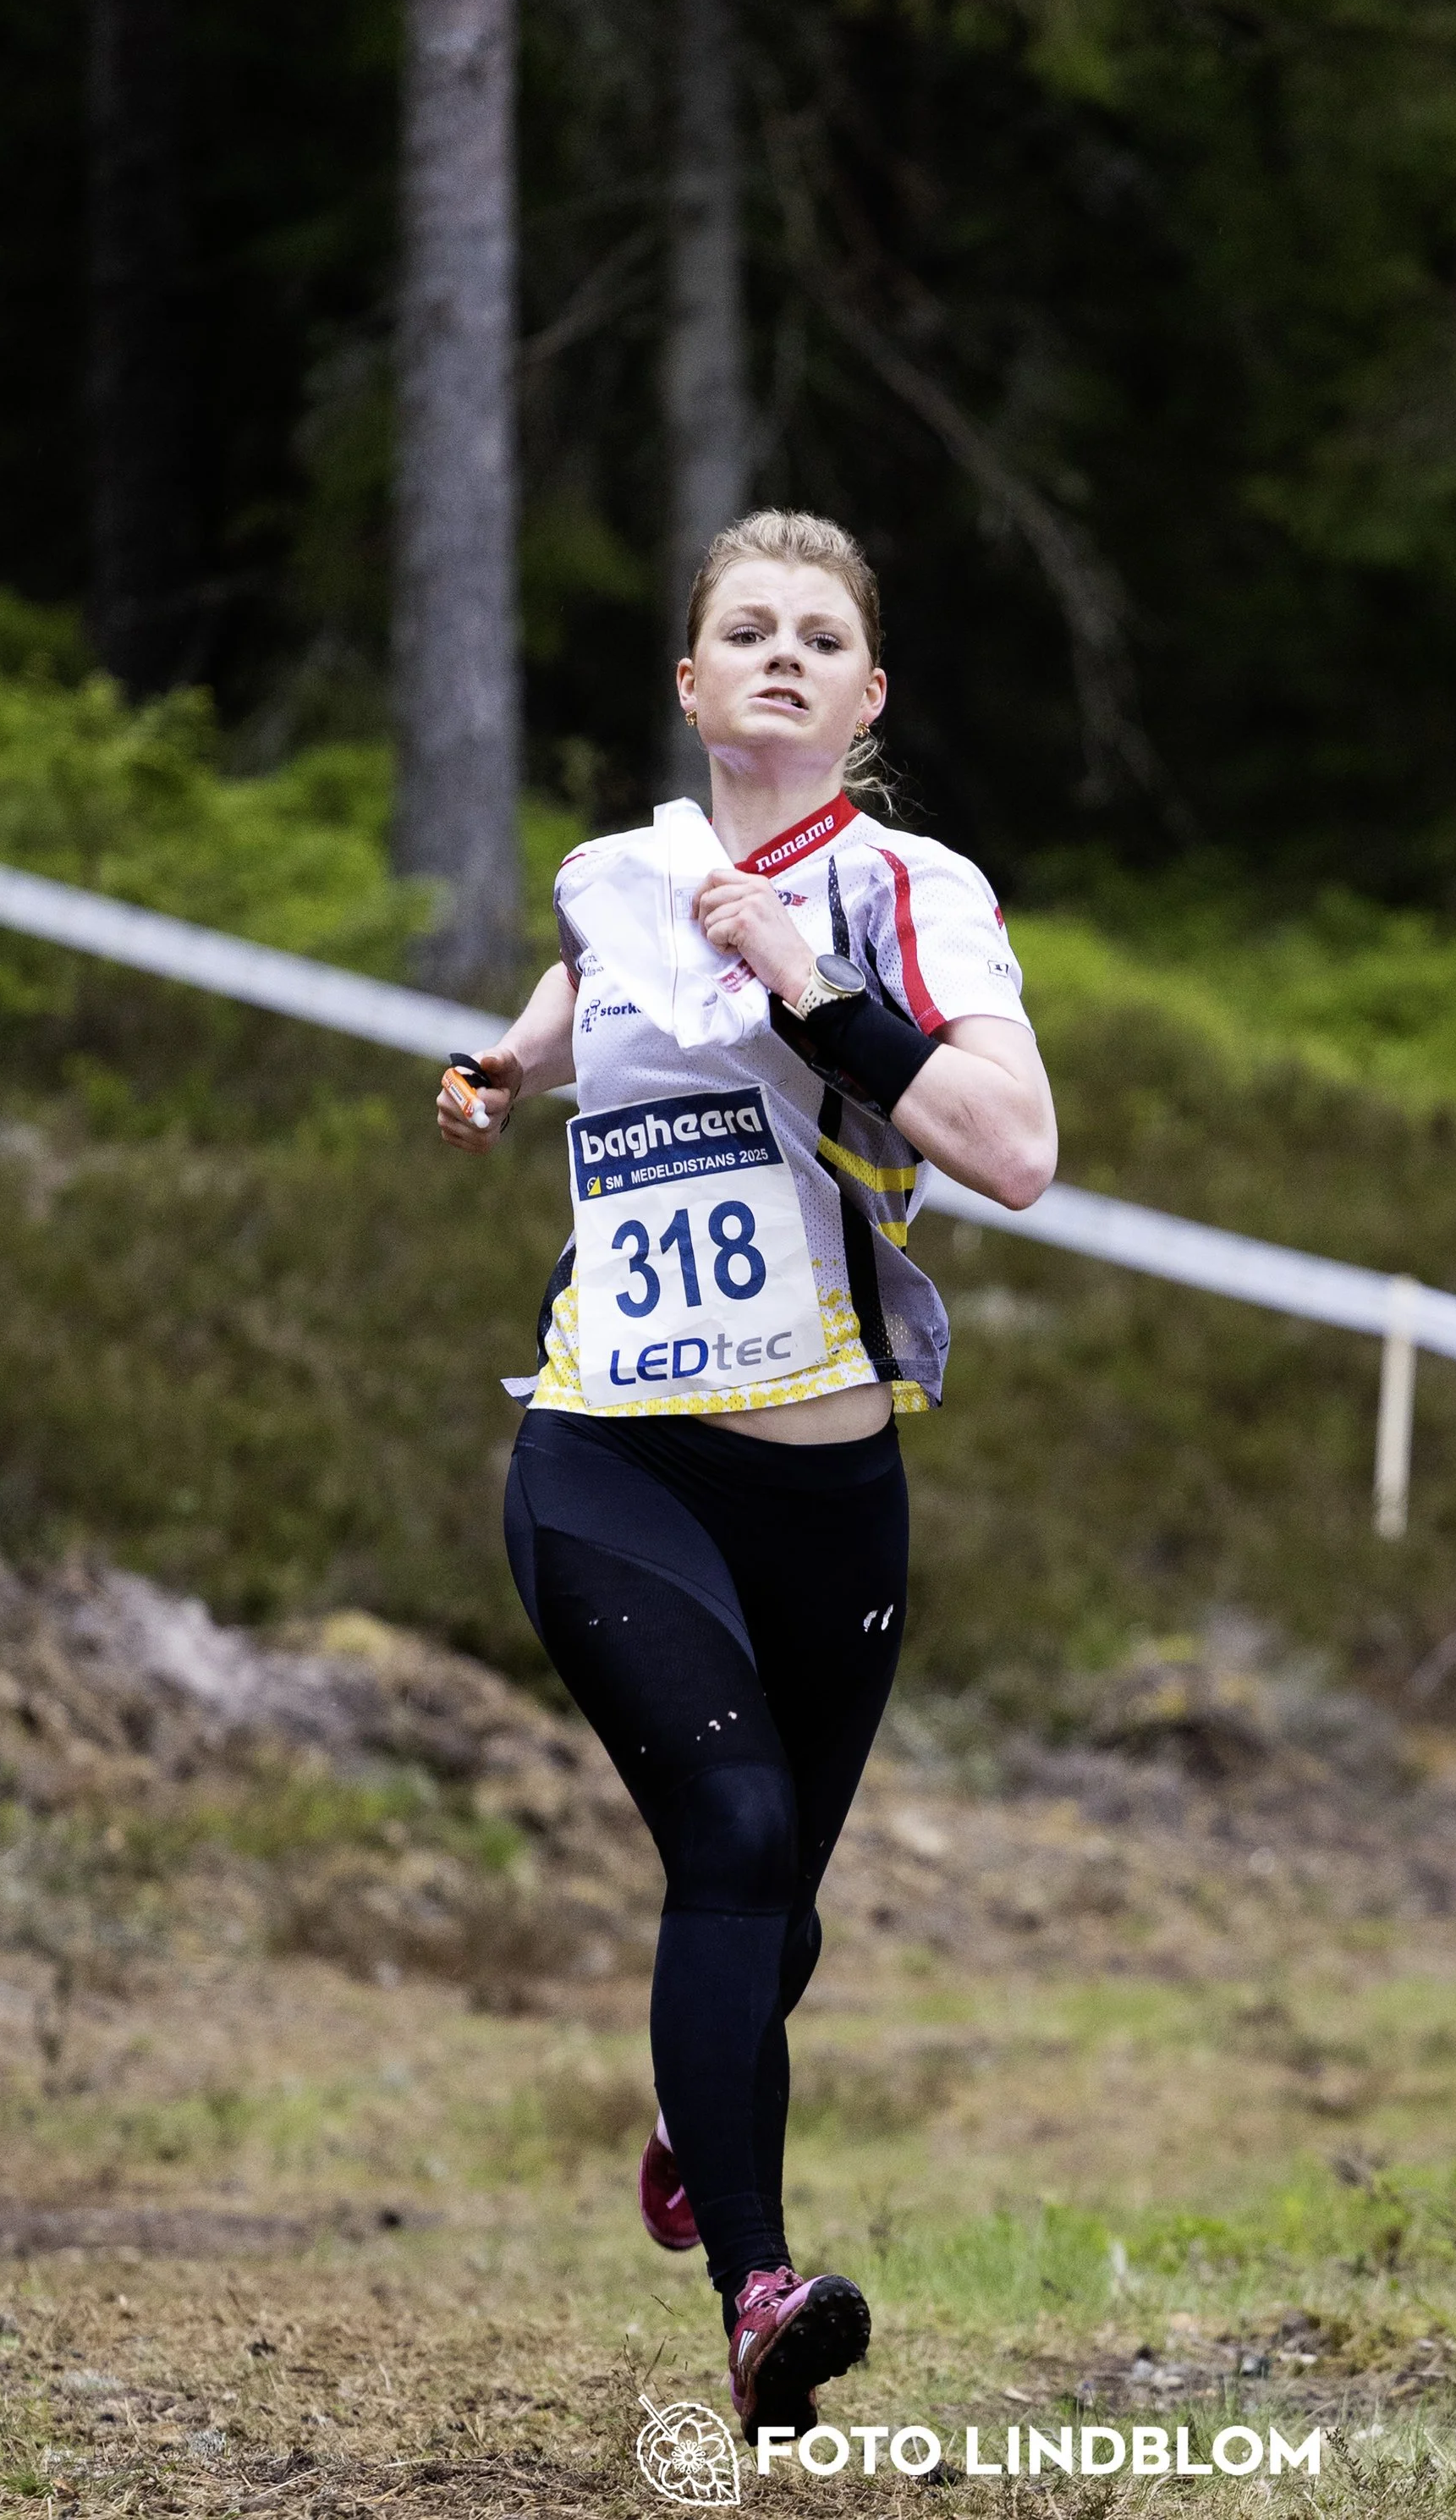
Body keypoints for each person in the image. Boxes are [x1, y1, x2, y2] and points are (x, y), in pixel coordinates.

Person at [436, 510, 1057, 2442]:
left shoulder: (909, 890)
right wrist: (504, 1065)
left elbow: (1014, 1148)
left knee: (776, 1901)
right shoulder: (618, 872)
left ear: (866, 698)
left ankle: (689, 2109)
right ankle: (760, 2295)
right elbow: (578, 976)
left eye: (818, 637)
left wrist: (809, 981)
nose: (777, 655)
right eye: (741, 630)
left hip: (826, 1482)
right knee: (723, 1832)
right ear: (691, 684)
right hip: (606, 1454)